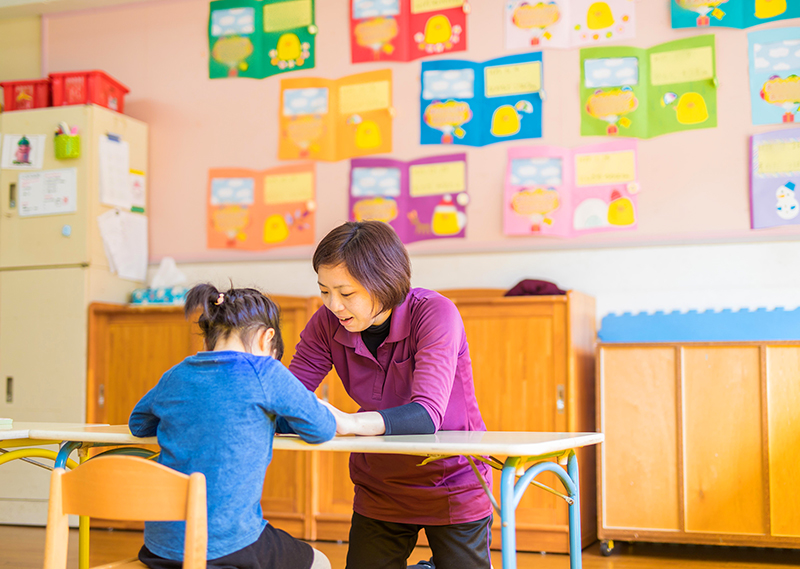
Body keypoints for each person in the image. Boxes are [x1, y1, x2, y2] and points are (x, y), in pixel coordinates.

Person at [287, 221, 493, 569]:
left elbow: (425, 416)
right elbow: (288, 395)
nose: (333, 305)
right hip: (381, 484)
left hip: (452, 480)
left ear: (382, 283)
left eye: (346, 293)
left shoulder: (434, 313)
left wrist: (348, 422)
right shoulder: (326, 323)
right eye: (325, 291)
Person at [129, 283, 335, 569]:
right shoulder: (266, 371)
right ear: (267, 338)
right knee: (320, 562)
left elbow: (138, 423)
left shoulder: (175, 375)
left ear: (208, 339)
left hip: (161, 547)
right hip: (230, 544)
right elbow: (322, 428)